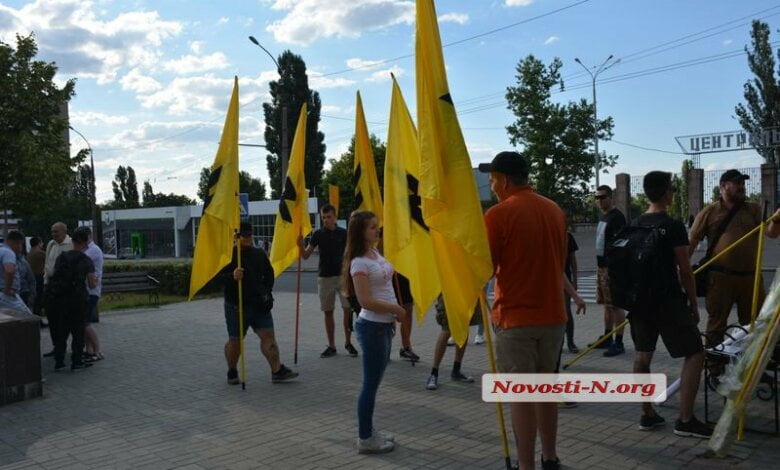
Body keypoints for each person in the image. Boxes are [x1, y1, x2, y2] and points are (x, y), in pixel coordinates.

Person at [480, 151, 584, 470]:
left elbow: (485, 267)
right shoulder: (554, 210)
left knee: (522, 397)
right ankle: (549, 457)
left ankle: (525, 464)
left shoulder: (498, 214)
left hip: (515, 319)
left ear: (505, 181)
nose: (491, 185)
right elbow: (557, 262)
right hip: (553, 317)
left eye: (493, 179)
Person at [630, 171, 712, 438]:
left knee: (642, 356)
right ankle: (685, 420)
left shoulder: (634, 224)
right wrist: (693, 303)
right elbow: (685, 270)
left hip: (639, 303)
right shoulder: (672, 225)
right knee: (695, 353)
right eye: (672, 189)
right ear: (666, 193)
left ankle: (647, 414)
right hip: (667, 300)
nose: (673, 193)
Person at [689, 169, 780, 349]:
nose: (741, 187)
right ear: (723, 186)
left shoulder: (753, 209)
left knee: (754, 325)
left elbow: (772, 233)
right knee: (716, 326)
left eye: (743, 183)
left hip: (751, 278)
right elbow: (691, 242)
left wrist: (777, 220)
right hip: (720, 279)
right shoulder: (709, 212)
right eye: (737, 183)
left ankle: (747, 364)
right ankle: (714, 364)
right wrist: (682, 270)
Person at [342, 210, 405, 454]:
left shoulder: (375, 253)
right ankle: (365, 438)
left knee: (374, 383)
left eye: (376, 225)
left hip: (383, 326)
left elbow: (386, 286)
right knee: (370, 385)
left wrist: (392, 317)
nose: (377, 230)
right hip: (372, 328)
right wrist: (395, 310)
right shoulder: (359, 262)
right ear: (360, 232)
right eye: (371, 227)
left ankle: (369, 430)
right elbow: (365, 301)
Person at [223, 222, 298, 385]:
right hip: (236, 306)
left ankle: (277, 370)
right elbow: (216, 280)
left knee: (268, 336)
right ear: (235, 237)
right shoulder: (227, 256)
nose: (248, 238)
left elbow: (269, 274)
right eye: (244, 235)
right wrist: (232, 276)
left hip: (259, 305)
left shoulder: (259, 254)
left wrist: (266, 292)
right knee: (235, 341)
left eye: (250, 235)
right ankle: (232, 371)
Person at [299, 204, 358, 358]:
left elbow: (351, 253)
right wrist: (300, 246)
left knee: (347, 310)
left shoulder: (343, 233)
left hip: (343, 277)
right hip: (325, 277)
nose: (326, 220)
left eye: (329, 217)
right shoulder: (317, 234)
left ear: (335, 217)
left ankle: (348, 342)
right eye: (324, 217)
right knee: (328, 311)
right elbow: (306, 256)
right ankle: (331, 346)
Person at [46, 227, 97, 371]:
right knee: (78, 332)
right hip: (78, 300)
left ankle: (59, 362)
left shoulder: (62, 257)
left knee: (61, 331)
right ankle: (76, 362)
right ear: (85, 243)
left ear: (73, 241)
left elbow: (54, 275)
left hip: (61, 299)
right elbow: (91, 283)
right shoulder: (86, 260)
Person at [593, 185, 627, 357]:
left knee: (616, 305)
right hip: (602, 268)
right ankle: (607, 337)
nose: (599, 201)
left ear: (610, 197)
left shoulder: (617, 217)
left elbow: (621, 245)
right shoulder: (604, 217)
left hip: (612, 269)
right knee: (607, 305)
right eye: (597, 198)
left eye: (602, 197)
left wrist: (612, 266)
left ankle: (619, 342)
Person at [425, 295, 478, 390]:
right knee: (447, 330)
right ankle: (434, 373)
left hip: (464, 294)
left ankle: (456, 370)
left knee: (463, 329)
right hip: (448, 295)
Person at [43, 222, 73, 357]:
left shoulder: (71, 244)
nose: (53, 234)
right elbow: (47, 265)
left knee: (63, 319)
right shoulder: (51, 244)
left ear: (64, 231)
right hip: (51, 285)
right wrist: (46, 283)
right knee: (52, 318)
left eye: (56, 231)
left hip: (64, 286)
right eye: (52, 231)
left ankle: (62, 346)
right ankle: (56, 346)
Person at [83, 227, 104, 362]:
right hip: (88, 290)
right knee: (85, 322)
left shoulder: (93, 250)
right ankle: (89, 350)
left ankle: (97, 350)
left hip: (91, 291)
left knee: (84, 322)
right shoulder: (87, 249)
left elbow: (80, 261)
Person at [0, 231, 32, 314]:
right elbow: (9, 271)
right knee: (28, 317)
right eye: (20, 244)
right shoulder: (8, 252)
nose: (20, 248)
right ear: (17, 242)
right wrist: (7, 290)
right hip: (6, 294)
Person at [393, 274, 420, 362]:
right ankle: (384, 347)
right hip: (389, 277)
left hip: (404, 276)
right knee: (388, 313)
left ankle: (406, 347)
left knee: (408, 310)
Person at [564, 231, 579, 353]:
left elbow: (573, 260)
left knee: (566, 311)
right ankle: (558, 342)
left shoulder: (567, 236)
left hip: (566, 279)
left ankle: (570, 342)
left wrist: (575, 280)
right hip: (549, 280)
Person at [27, 237, 46, 318]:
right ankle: (37, 316)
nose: (43, 244)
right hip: (40, 277)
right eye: (41, 242)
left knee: (34, 298)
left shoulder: (29, 253)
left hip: (31, 277)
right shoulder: (41, 253)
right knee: (39, 298)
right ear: (39, 243)